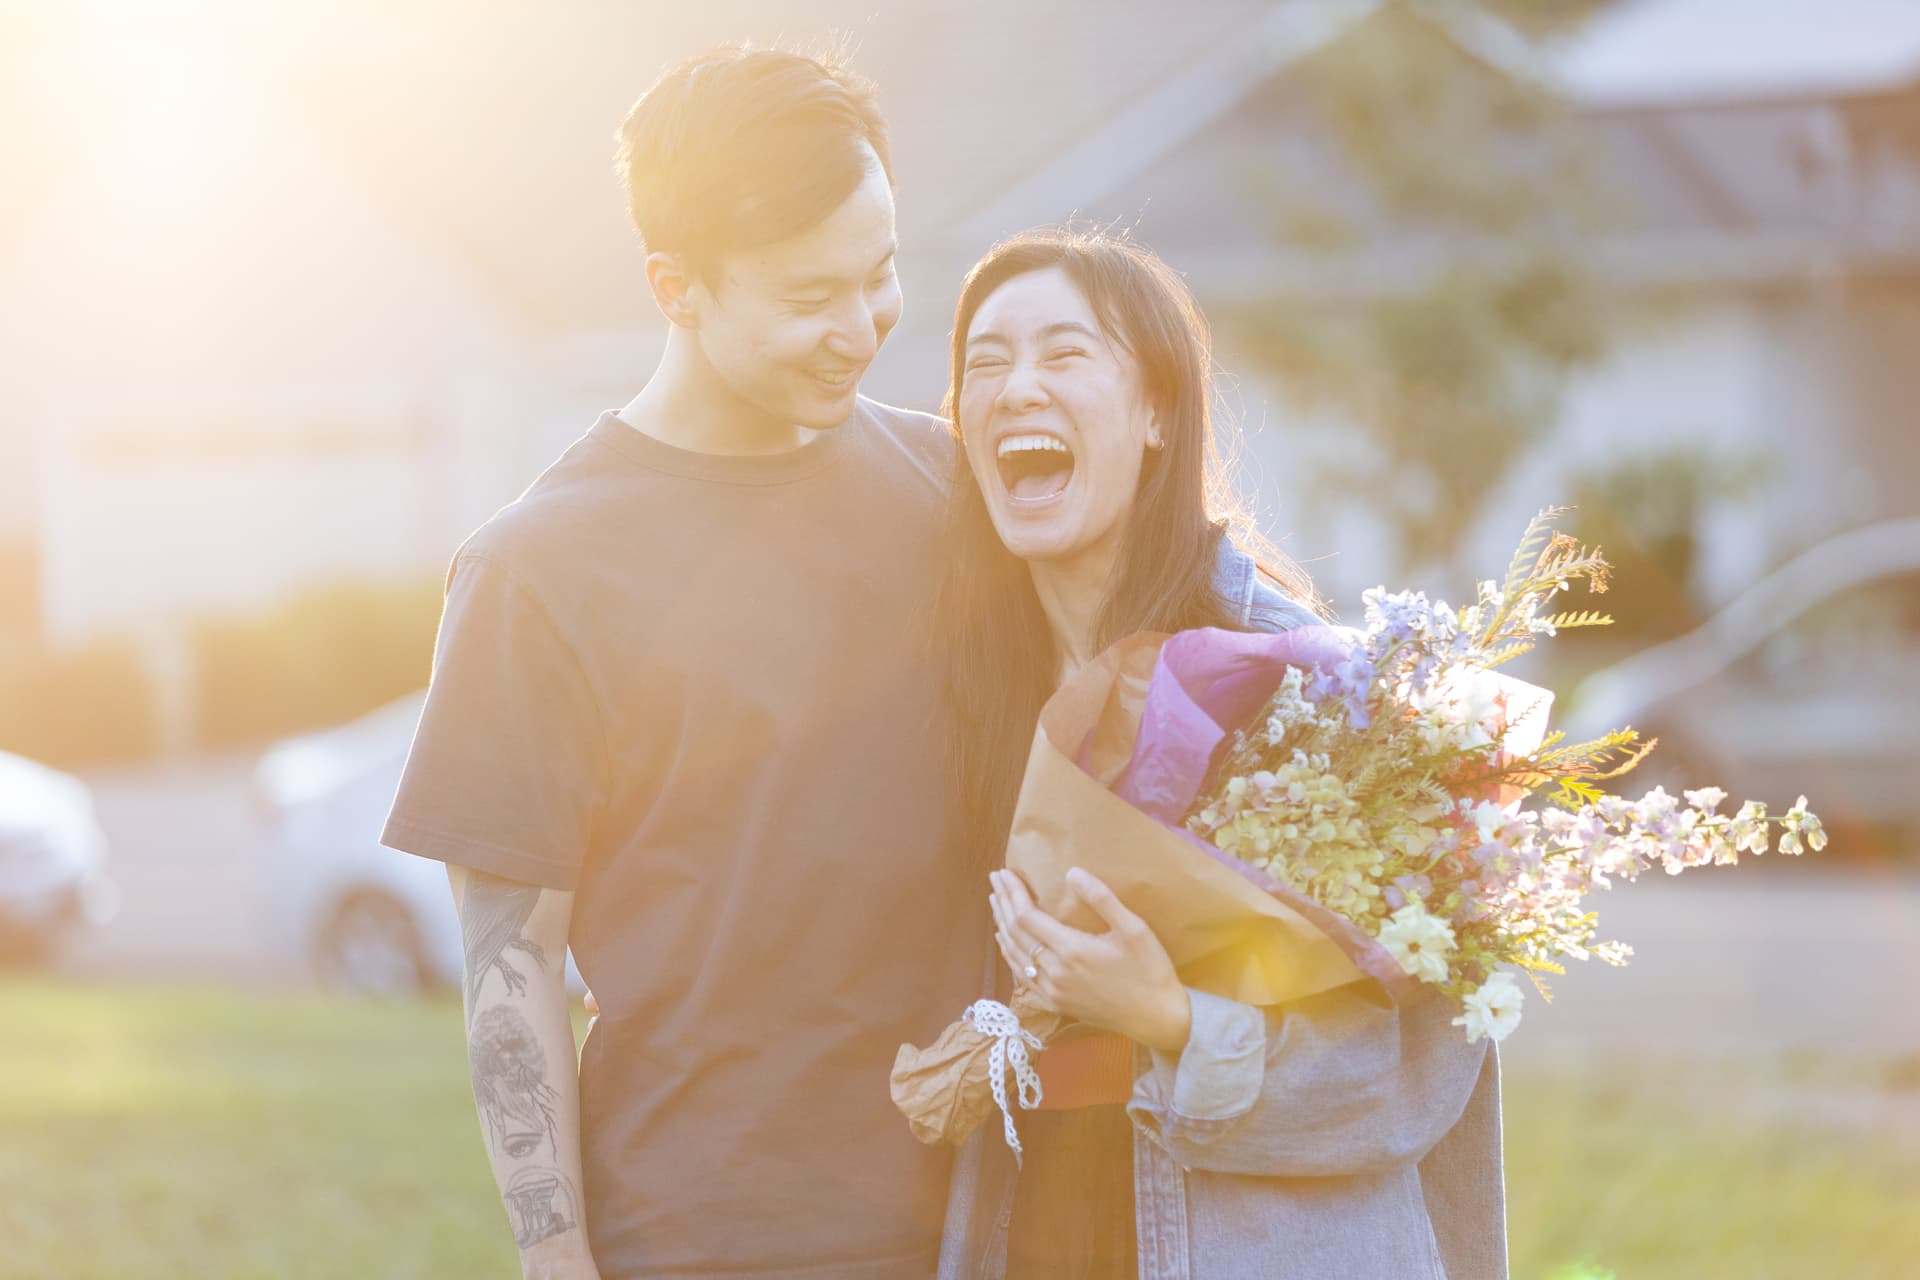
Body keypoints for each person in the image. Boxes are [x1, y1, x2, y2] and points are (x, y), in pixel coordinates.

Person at [380, 46, 985, 1280]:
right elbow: (515, 957)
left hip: (988, 1211)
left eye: (880, 277)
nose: (860, 326)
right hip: (709, 1234)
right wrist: (555, 1250)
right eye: (810, 296)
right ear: (677, 288)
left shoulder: (951, 490)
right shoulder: (534, 570)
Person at [928, 227, 1507, 1279]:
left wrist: (1172, 1018)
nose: (1016, 387)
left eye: (1063, 353)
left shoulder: (1297, 685)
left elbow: (1418, 1070)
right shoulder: (961, 692)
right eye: (984, 362)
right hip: (1035, 1226)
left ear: (1157, 410)